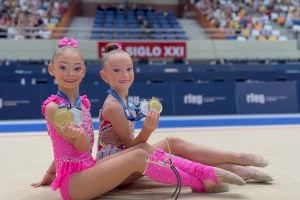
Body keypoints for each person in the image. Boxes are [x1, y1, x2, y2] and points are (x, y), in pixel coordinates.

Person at [32, 38, 245, 200]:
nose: (70, 73)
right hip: (75, 185)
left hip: (89, 170)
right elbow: (81, 145)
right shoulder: (53, 107)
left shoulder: (83, 104)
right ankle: (201, 179)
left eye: (76, 67)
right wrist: (76, 138)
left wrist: (50, 173)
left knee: (141, 151)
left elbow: (61, 149)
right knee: (137, 156)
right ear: (51, 69)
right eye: (63, 67)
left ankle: (205, 173)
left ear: (84, 71)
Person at [96, 43, 273, 184]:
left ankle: (235, 167)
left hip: (124, 164)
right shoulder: (113, 106)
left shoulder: (121, 99)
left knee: (174, 145)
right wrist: (147, 131)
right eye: (117, 70)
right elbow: (133, 150)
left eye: (129, 68)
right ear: (104, 76)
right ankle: (237, 161)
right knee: (173, 144)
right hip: (114, 171)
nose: (125, 74)